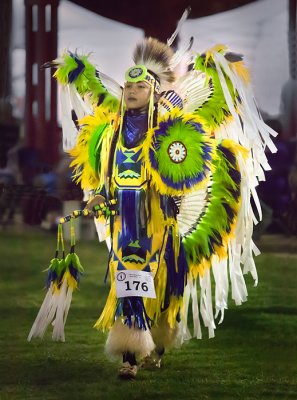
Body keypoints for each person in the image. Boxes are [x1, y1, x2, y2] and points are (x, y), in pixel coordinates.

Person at [28, 29, 277, 379]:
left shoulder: (167, 123)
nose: (131, 92)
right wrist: (99, 192)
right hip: (124, 224)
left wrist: (221, 66)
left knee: (161, 289)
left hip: (161, 222)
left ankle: (157, 346)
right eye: (128, 88)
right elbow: (103, 155)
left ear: (154, 91)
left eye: (140, 88)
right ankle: (129, 356)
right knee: (128, 283)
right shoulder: (111, 129)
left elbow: (205, 114)